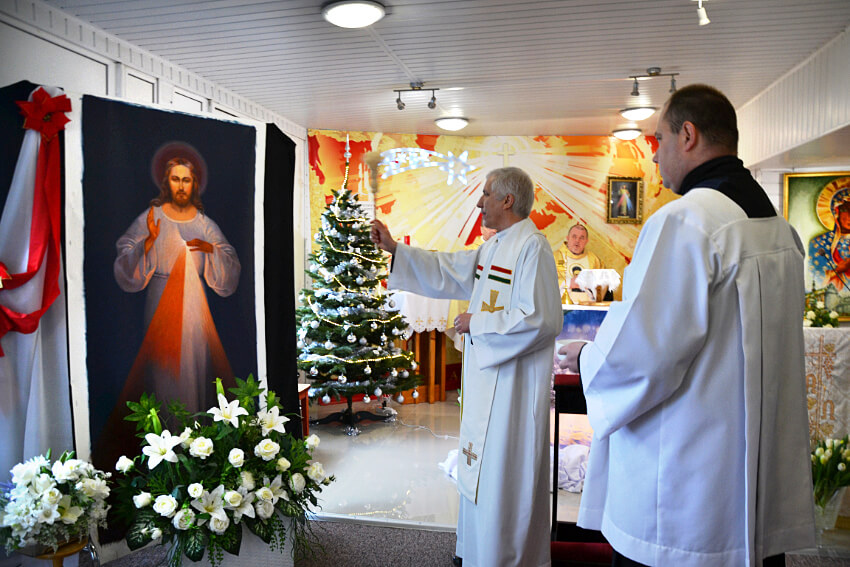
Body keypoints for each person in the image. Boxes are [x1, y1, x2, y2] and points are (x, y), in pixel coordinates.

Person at [560, 84, 815, 566]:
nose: (654, 157)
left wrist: (586, 357)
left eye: (658, 141)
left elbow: (641, 356)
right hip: (750, 494)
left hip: (681, 499)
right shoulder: (780, 231)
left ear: (689, 135)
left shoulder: (686, 221)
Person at [371, 167, 562, 567]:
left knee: (503, 476)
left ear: (507, 200)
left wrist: (480, 322)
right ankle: (477, 553)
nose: (479, 202)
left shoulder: (532, 247)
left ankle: (506, 558)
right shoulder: (494, 247)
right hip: (485, 381)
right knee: (479, 472)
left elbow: (543, 319)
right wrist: (395, 250)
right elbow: (449, 269)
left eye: (486, 194)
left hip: (512, 389)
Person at [113, 155, 241, 414]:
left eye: (186, 180)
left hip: (195, 303)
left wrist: (210, 250)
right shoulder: (153, 216)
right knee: (164, 367)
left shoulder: (204, 222)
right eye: (175, 180)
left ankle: (195, 435)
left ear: (194, 184)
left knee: (195, 365)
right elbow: (125, 254)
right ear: (166, 182)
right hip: (161, 298)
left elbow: (230, 260)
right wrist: (148, 241)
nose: (181, 186)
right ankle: (168, 432)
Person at [808, 185, 850, 292]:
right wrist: (837, 270)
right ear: (836, 213)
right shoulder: (819, 244)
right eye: (845, 209)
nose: (849, 216)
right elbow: (814, 278)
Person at [555, 223, 603, 303]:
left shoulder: (594, 259)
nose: (577, 241)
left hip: (588, 306)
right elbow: (545, 282)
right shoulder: (554, 257)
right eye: (574, 237)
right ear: (567, 238)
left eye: (582, 238)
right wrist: (570, 283)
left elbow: (601, 285)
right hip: (561, 306)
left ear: (586, 241)